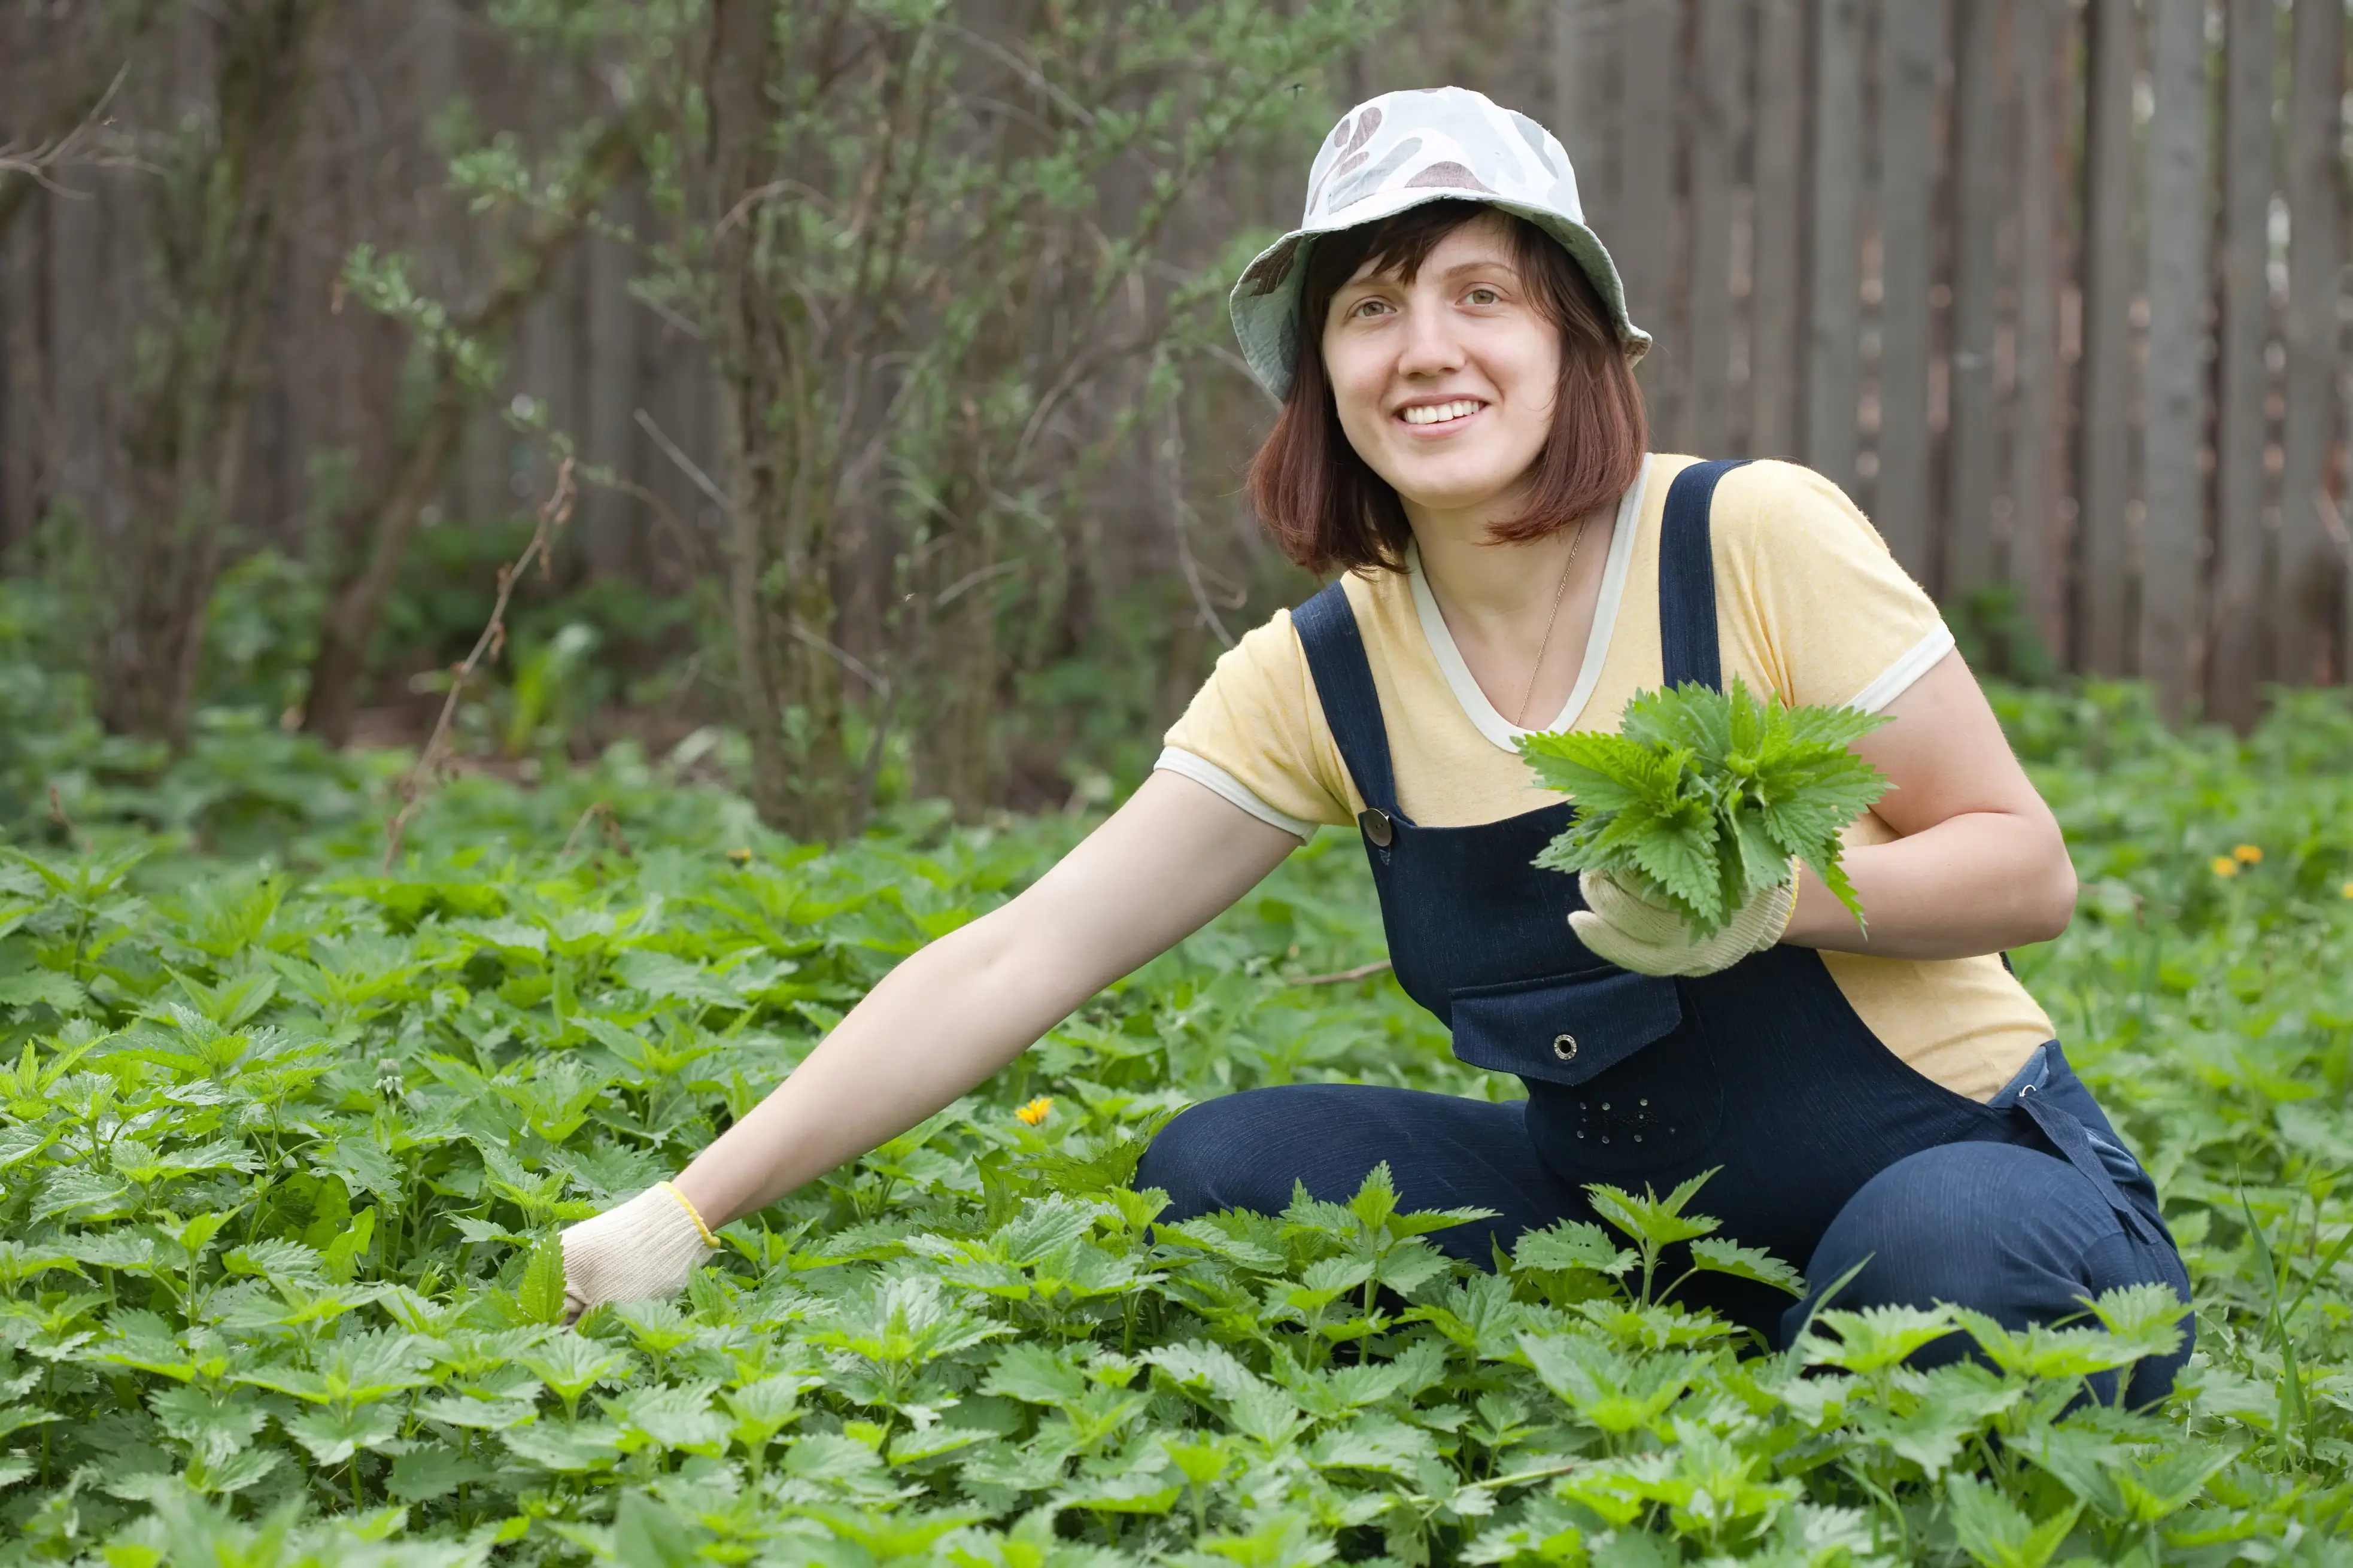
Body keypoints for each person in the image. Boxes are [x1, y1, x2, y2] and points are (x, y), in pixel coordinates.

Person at [560, 86, 2191, 1403]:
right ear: (1318, 373)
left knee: (1947, 1261)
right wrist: (692, 1205)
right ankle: (1716, 1369)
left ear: (1572, 339)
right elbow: (1024, 952)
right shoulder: (1326, 670)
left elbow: (2023, 864)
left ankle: (1848, 1358)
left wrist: (1780, 903)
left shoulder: (1745, 537)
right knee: (1223, 1167)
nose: (1427, 347)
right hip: (1631, 1246)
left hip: (1959, 1167)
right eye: (1373, 305)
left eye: (1483, 292)